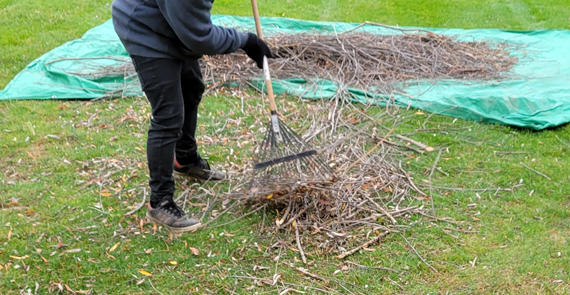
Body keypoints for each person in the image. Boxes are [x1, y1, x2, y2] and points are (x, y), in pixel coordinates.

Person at [111, 0, 273, 233]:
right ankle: (160, 201)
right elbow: (200, 37)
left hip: (169, 22)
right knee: (168, 114)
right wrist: (246, 41)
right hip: (142, 26)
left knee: (192, 87)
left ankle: (184, 158)